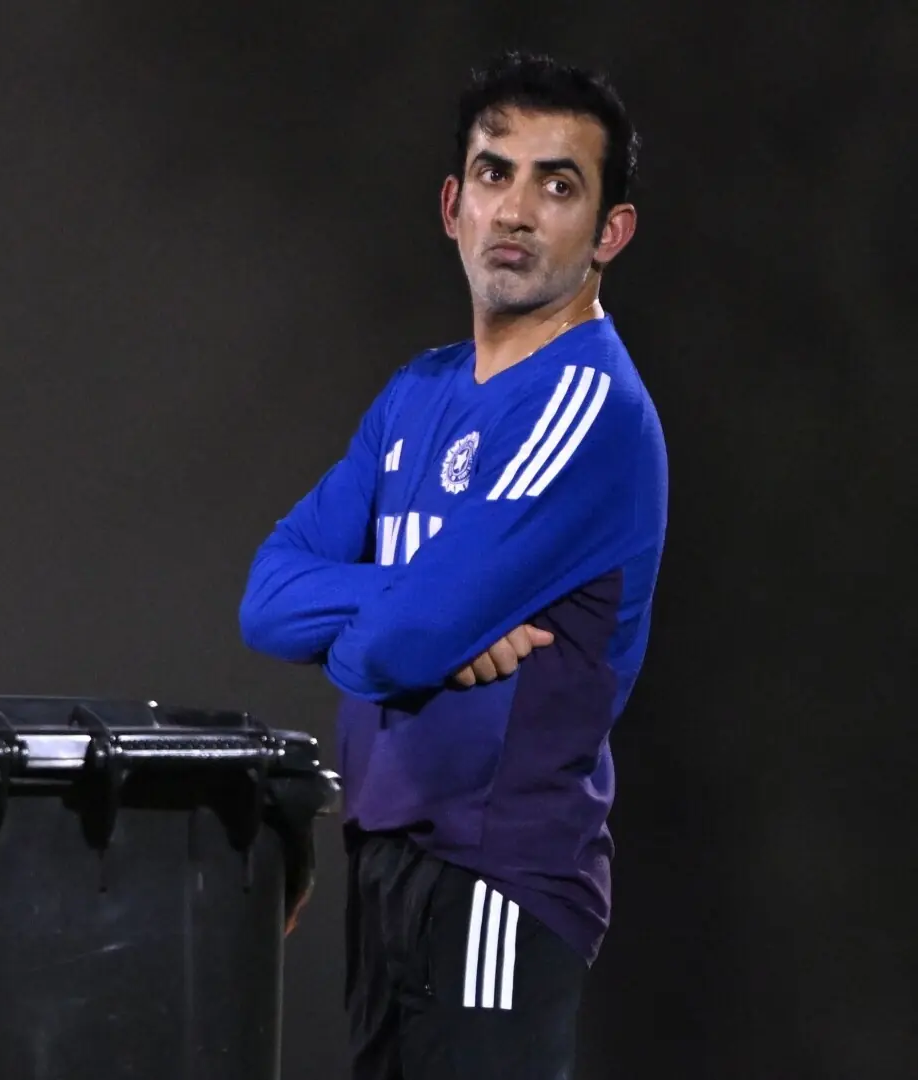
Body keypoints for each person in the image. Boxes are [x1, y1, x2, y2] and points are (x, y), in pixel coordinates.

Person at [239, 53, 666, 1079]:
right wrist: (423, 610)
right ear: (452, 204)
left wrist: (407, 625)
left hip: (497, 876)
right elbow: (265, 597)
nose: (515, 209)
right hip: (389, 861)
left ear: (610, 233)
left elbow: (392, 651)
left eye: (557, 184)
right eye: (493, 173)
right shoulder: (417, 394)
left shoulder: (588, 406)